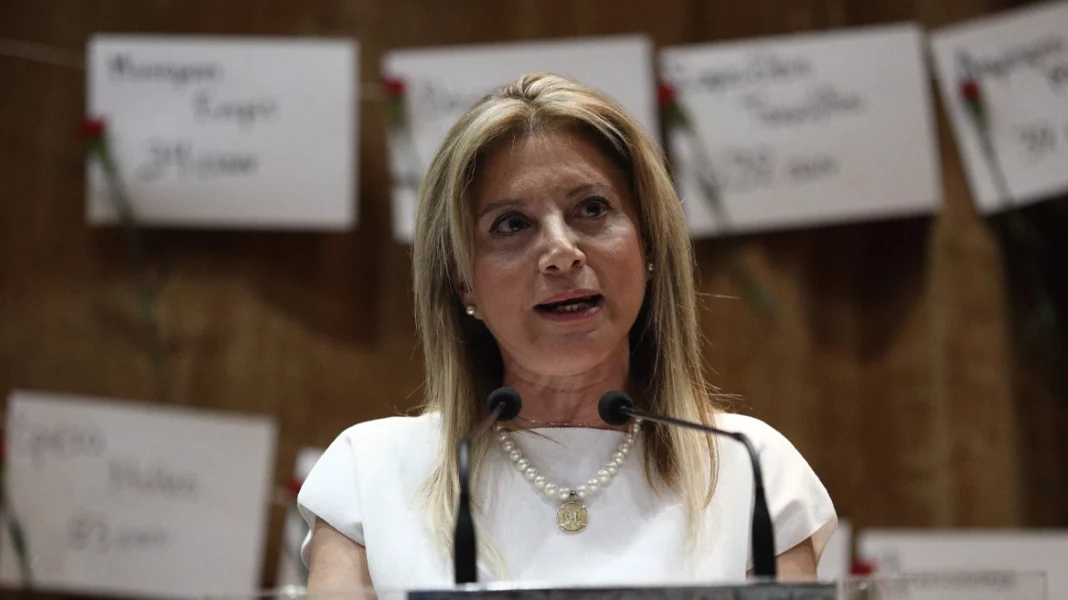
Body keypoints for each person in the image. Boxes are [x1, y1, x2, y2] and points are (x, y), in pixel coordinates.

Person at [298, 73, 836, 592]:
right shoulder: (370, 476)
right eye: (512, 224)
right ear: (463, 282)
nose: (560, 252)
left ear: (648, 246)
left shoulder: (751, 468)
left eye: (591, 209)